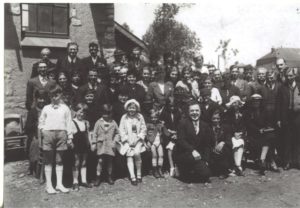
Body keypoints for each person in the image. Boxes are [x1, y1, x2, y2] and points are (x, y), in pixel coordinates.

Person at [38, 85, 73, 194]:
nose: (54, 97)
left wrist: (70, 137)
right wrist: (44, 131)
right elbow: (41, 122)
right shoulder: (46, 108)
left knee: (59, 160)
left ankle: (59, 184)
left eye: (57, 95)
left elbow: (69, 123)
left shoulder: (65, 108)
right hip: (49, 134)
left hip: (61, 134)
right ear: (49, 96)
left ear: (60, 95)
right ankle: (49, 186)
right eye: (52, 95)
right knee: (48, 161)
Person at [175, 101, 213, 183]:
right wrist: (192, 150)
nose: (194, 113)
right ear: (188, 112)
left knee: (206, 174)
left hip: (198, 156)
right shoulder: (182, 123)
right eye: (192, 111)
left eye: (197, 110)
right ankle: (182, 169)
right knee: (187, 176)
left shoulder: (205, 125)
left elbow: (207, 144)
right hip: (185, 154)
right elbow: (181, 140)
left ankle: (193, 170)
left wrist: (206, 160)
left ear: (200, 112)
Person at [246, 94, 278, 175]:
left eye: (258, 101)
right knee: (267, 139)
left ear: (260, 101)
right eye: (254, 101)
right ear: (252, 101)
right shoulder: (249, 111)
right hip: (253, 133)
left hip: (264, 132)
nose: (256, 102)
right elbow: (249, 124)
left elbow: (268, 121)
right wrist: (258, 130)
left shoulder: (265, 110)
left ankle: (262, 160)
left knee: (270, 136)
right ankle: (270, 161)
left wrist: (265, 128)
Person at [118, 99, 147, 185]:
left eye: (133, 108)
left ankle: (139, 174)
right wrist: (126, 140)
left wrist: (138, 138)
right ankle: (132, 176)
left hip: (137, 140)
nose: (132, 110)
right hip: (127, 140)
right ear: (127, 108)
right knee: (129, 155)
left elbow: (143, 128)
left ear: (136, 108)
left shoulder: (140, 117)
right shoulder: (124, 117)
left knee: (137, 153)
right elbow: (121, 130)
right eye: (130, 108)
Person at [276, 67, 300, 170]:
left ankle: (297, 162)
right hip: (286, 116)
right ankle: (287, 162)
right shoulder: (282, 88)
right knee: (287, 139)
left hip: (298, 116)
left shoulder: (299, 86)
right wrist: (278, 119)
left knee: (298, 138)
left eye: (291, 75)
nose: (289, 77)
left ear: (295, 76)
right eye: (287, 76)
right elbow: (278, 105)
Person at [92, 104, 120, 186]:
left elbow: (117, 133)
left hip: (110, 144)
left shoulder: (113, 122)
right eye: (104, 113)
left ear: (111, 113)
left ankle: (109, 176)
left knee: (110, 161)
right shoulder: (98, 122)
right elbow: (94, 134)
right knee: (100, 161)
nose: (106, 115)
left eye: (108, 113)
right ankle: (98, 177)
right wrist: (94, 143)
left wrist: (115, 141)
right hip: (101, 144)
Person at [25, 90, 48, 177]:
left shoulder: (48, 110)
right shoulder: (32, 112)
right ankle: (34, 165)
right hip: (35, 135)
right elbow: (28, 128)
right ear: (36, 99)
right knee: (35, 143)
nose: (42, 101)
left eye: (44, 99)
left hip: (46, 134)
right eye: (40, 99)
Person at [70, 103, 92, 190]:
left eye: (83, 113)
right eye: (79, 112)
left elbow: (88, 133)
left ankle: (84, 181)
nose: (81, 114)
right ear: (76, 112)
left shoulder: (86, 122)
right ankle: (75, 181)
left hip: (84, 144)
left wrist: (90, 143)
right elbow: (70, 134)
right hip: (76, 145)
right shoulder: (72, 122)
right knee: (76, 162)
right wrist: (70, 142)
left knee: (84, 162)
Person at [224, 95, 246, 176]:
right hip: (230, 134)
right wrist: (234, 133)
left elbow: (245, 125)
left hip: (240, 134)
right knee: (234, 142)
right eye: (233, 103)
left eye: (237, 103)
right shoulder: (228, 113)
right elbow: (227, 125)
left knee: (240, 141)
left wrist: (241, 133)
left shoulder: (243, 113)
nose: (235, 105)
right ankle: (238, 166)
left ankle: (237, 165)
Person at [160, 99, 181, 177]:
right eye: (170, 106)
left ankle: (177, 167)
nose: (172, 108)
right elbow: (163, 127)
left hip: (177, 135)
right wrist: (169, 133)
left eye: (173, 106)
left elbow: (180, 125)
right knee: (169, 148)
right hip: (167, 136)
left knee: (177, 148)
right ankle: (171, 167)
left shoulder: (178, 113)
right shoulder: (164, 113)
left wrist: (176, 133)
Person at [146, 109, 170, 178]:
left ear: (158, 117)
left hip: (159, 142)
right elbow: (145, 134)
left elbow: (166, 133)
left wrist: (164, 127)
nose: (154, 119)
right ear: (150, 118)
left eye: (155, 117)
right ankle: (155, 169)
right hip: (152, 142)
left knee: (161, 155)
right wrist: (147, 141)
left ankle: (160, 169)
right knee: (154, 156)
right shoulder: (148, 125)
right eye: (152, 118)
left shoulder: (160, 124)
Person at [209, 110, 233, 178]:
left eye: (218, 118)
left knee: (226, 148)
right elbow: (206, 141)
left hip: (222, 150)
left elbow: (229, 140)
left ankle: (224, 171)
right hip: (212, 150)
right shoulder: (208, 128)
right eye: (214, 118)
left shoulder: (226, 127)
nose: (216, 120)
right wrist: (213, 148)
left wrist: (223, 142)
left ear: (220, 119)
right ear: (211, 119)